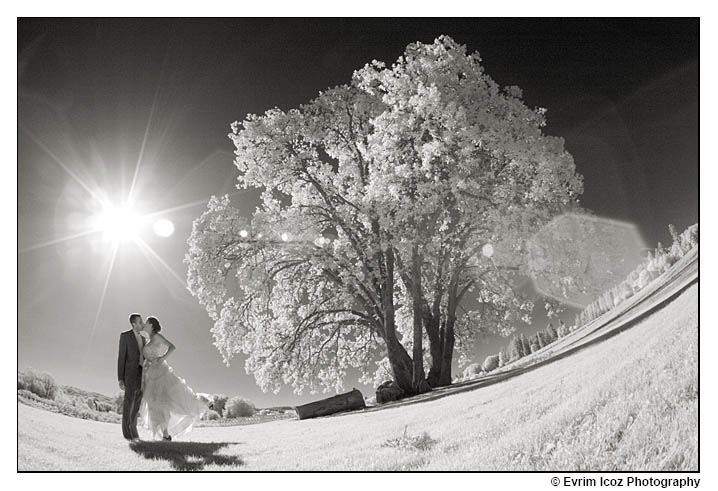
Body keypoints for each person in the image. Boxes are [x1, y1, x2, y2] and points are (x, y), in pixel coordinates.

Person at [138, 316, 206, 440]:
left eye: (146, 322)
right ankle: (165, 435)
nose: (144, 324)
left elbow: (172, 347)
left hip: (160, 371)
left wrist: (162, 358)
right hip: (149, 372)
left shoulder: (157, 336)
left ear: (152, 325)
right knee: (154, 403)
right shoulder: (147, 340)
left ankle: (203, 400)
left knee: (172, 398)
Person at [117, 313, 146, 441]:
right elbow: (121, 358)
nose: (142, 324)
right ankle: (126, 432)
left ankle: (134, 430)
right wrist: (120, 378)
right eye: (140, 322)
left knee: (137, 403)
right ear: (134, 324)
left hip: (142, 373)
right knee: (128, 402)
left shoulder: (144, 339)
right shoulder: (125, 336)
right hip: (129, 374)